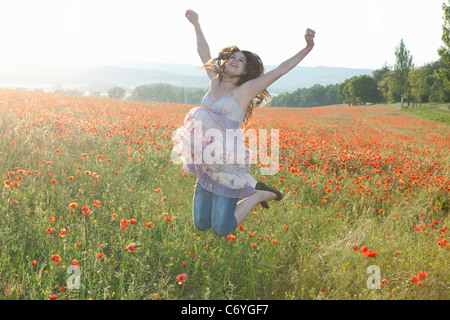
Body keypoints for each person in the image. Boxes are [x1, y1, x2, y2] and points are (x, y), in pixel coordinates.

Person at [171, 9, 315, 237]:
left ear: (246, 70)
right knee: (201, 224)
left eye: (241, 60)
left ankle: (258, 195)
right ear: (226, 62)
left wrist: (307, 48)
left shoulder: (244, 91)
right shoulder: (215, 81)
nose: (235, 61)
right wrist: (196, 24)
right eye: (233, 57)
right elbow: (203, 51)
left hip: (228, 164)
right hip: (207, 161)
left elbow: (280, 71)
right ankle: (251, 190)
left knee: (221, 228)